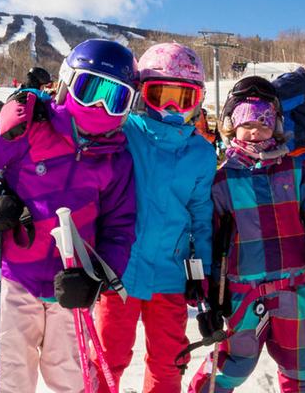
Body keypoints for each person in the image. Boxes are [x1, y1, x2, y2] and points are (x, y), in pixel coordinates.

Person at [0, 39, 137, 393]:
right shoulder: (31, 127)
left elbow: (120, 225)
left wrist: (100, 276)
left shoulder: (117, 157)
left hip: (73, 283)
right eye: (89, 89)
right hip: (14, 273)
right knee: (9, 373)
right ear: (67, 82)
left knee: (70, 375)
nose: (98, 105)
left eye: (114, 97)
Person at [187, 76, 305, 392]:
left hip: (294, 287)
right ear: (231, 124)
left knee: (301, 362)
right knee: (235, 362)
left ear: (277, 124)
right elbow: (208, 239)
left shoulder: (297, 170)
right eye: (245, 120)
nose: (255, 129)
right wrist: (208, 295)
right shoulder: (221, 180)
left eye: (265, 120)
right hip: (243, 291)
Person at [90, 43, 215, 392]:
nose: (173, 108)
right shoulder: (123, 133)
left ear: (198, 101)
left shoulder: (201, 153)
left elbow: (201, 216)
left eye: (184, 98)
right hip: (119, 272)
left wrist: (200, 272)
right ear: (143, 95)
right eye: (161, 95)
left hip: (171, 275)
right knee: (107, 355)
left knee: (168, 358)